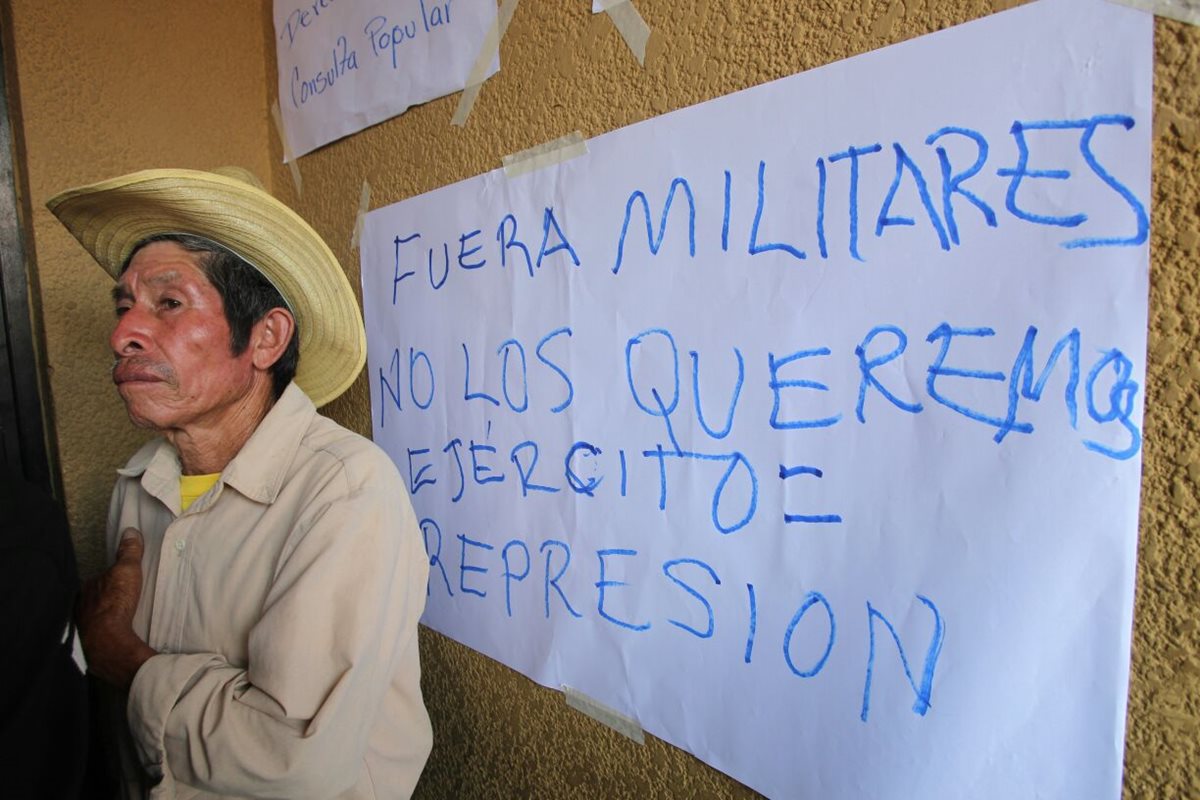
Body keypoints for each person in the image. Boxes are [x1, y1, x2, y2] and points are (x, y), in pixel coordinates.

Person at [47, 167, 433, 799]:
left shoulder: (343, 492)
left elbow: (294, 763)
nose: (121, 337)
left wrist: (121, 657)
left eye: (168, 304)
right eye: (124, 307)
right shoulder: (139, 485)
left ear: (264, 338)